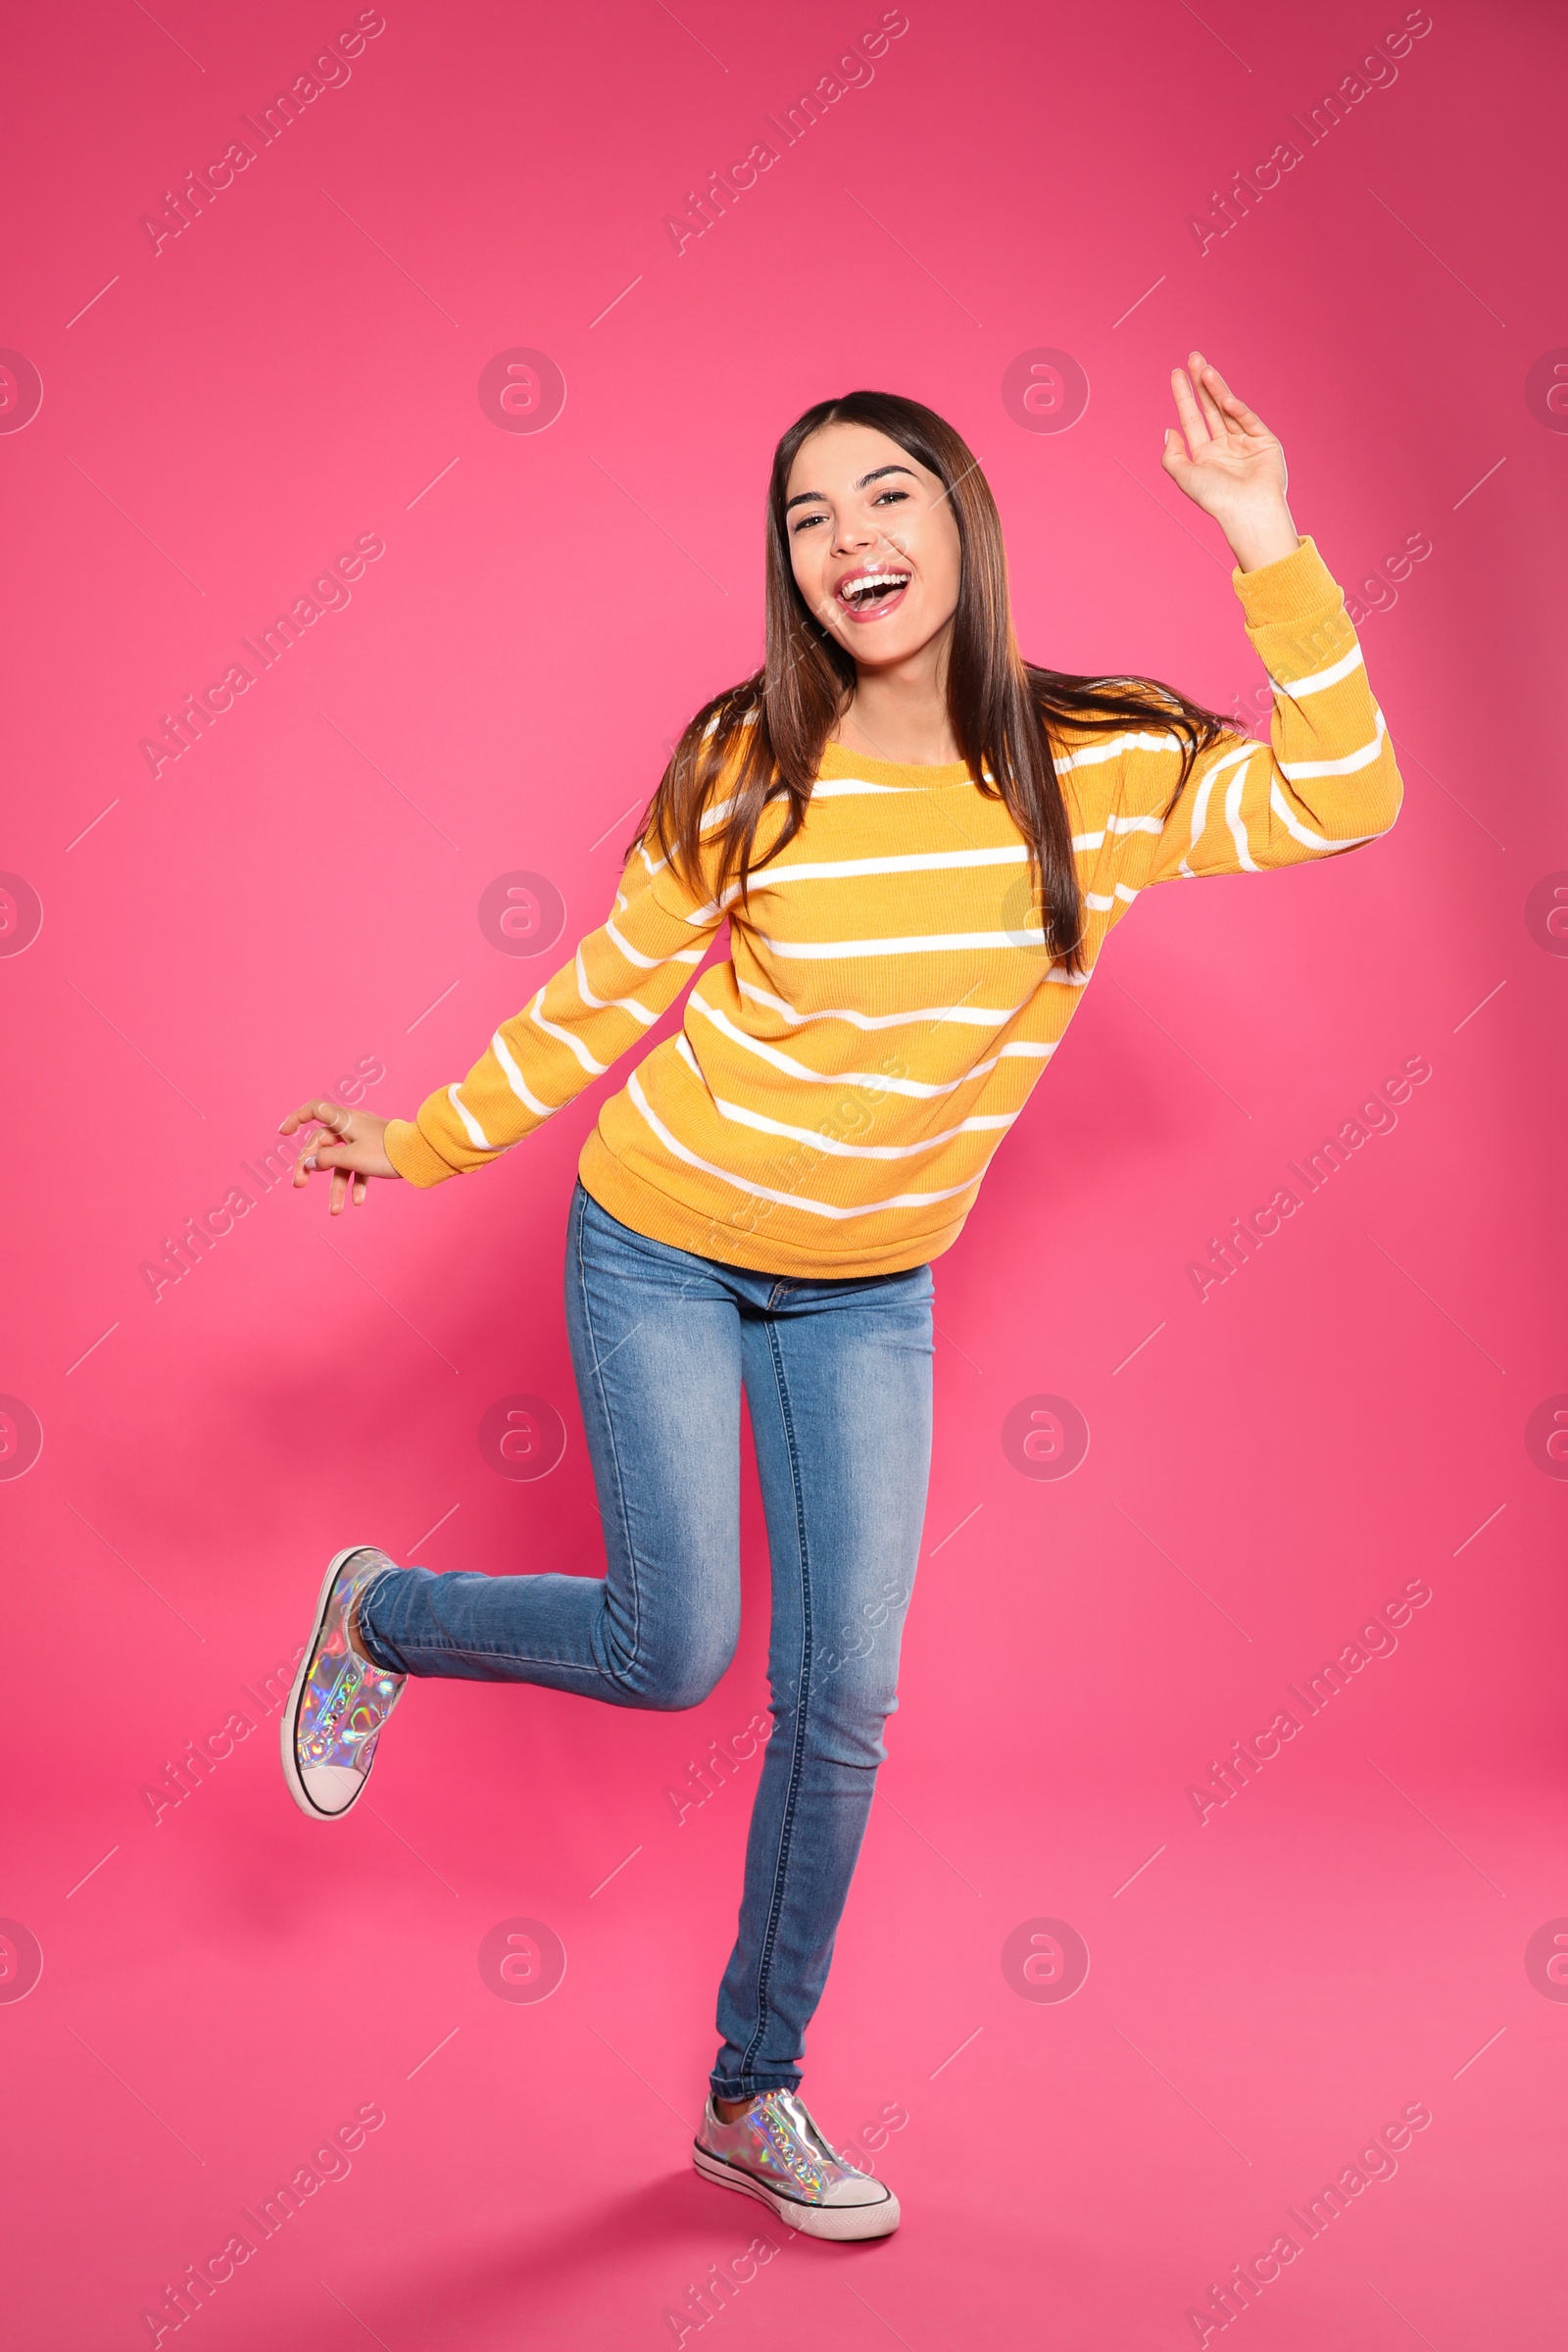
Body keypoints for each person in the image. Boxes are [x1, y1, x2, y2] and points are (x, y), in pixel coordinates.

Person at [277, 360, 1401, 2239]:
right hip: (662, 1235)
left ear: (961, 517)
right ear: (789, 572)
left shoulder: (1098, 767)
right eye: (807, 518)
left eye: (882, 496)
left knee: (847, 1696)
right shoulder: (748, 760)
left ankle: (751, 2093)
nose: (847, 539)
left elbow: (1345, 795)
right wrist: (425, 1140)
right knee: (675, 1644)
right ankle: (378, 1619)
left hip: (866, 1290)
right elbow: (601, 992)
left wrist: (1267, 540)